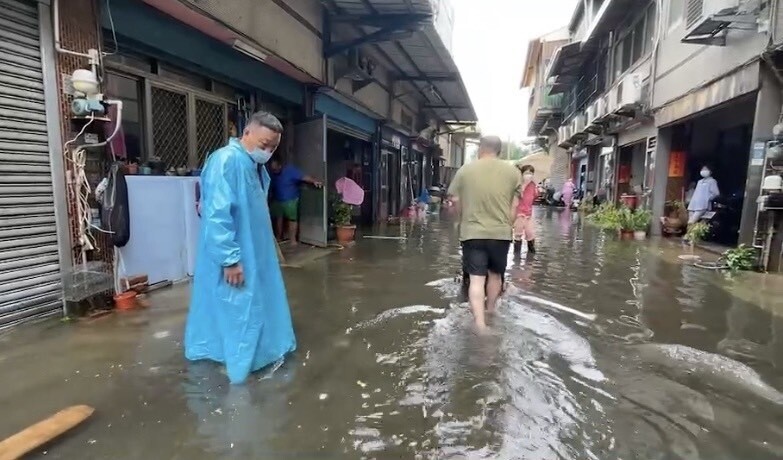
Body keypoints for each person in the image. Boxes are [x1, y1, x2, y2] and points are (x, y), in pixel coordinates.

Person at [184, 111, 296, 384]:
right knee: (236, 306)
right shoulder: (226, 160)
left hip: (255, 252)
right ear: (246, 133)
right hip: (237, 254)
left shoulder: (252, 165)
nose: (268, 152)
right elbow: (217, 214)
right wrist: (230, 259)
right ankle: (234, 363)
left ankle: (260, 352)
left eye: (273, 147)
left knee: (254, 303)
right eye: (264, 144)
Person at [448, 135, 520, 331]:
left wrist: (461, 220)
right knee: (496, 276)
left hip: (472, 232)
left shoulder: (465, 170)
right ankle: (490, 310)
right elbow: (514, 206)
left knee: (476, 279)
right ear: (500, 151)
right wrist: (507, 225)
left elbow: (454, 201)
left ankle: (480, 324)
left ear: (480, 149)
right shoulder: (513, 172)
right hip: (500, 233)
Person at [268, 158, 323, 244]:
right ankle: (279, 237)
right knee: (278, 218)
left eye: (276, 169)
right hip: (277, 199)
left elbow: (303, 177)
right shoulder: (272, 174)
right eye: (273, 170)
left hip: (291, 200)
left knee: (292, 219)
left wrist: (314, 181)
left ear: (280, 165)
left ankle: (292, 240)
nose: (275, 171)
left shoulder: (290, 171)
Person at [513, 164, 538, 255]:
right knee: (518, 234)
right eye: (527, 173)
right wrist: (524, 186)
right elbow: (518, 196)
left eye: (531, 173)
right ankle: (516, 256)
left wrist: (536, 189)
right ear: (522, 174)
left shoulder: (533, 184)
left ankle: (531, 256)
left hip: (529, 214)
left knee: (530, 233)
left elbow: (534, 197)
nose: (529, 175)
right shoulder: (519, 184)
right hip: (519, 213)